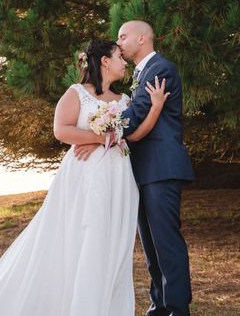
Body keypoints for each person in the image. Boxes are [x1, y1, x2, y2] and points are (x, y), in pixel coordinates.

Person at [0, 39, 169, 316]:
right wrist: (100, 138)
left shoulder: (124, 100)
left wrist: (154, 107)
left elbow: (134, 135)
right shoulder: (77, 93)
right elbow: (61, 130)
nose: (124, 61)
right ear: (105, 61)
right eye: (119, 56)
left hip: (119, 180)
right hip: (86, 179)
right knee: (87, 241)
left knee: (113, 246)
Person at [80, 20, 196, 316]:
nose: (119, 43)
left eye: (123, 36)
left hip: (161, 168)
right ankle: (159, 305)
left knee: (166, 242)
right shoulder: (142, 73)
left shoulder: (160, 69)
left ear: (141, 38)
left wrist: (100, 128)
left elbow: (134, 116)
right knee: (151, 245)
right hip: (143, 170)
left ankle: (177, 309)